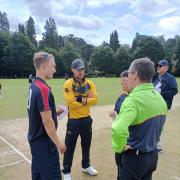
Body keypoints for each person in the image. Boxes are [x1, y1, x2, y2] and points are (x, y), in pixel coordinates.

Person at [112, 58, 168, 180]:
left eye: (129, 73)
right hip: (152, 156)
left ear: (135, 74)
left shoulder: (133, 99)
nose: (128, 77)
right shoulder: (159, 97)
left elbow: (118, 128)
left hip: (134, 159)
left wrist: (120, 147)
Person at [27, 52, 66, 180]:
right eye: (53, 66)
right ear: (44, 66)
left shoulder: (33, 85)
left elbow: (38, 113)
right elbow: (47, 122)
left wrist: (54, 112)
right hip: (45, 144)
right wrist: (59, 144)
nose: (55, 70)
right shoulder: (43, 88)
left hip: (35, 142)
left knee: (38, 176)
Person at [62, 59, 98, 180]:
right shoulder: (68, 83)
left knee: (86, 145)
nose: (81, 72)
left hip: (87, 119)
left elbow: (96, 100)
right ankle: (66, 170)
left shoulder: (89, 83)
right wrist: (86, 100)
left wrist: (80, 99)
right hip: (74, 121)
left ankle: (86, 166)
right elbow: (70, 103)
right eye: (78, 69)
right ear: (72, 70)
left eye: (82, 69)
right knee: (69, 146)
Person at [152, 59, 178, 152]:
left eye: (160, 66)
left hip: (162, 105)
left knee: (158, 124)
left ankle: (158, 146)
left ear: (166, 67)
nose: (158, 67)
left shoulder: (170, 78)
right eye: (158, 65)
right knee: (151, 123)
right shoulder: (155, 77)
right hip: (152, 104)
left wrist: (161, 93)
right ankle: (152, 144)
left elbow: (174, 90)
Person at [109, 70, 128, 180]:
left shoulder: (133, 99)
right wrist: (114, 115)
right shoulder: (121, 96)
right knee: (119, 164)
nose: (121, 84)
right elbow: (117, 112)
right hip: (120, 139)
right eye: (121, 81)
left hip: (129, 140)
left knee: (126, 168)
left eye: (124, 81)